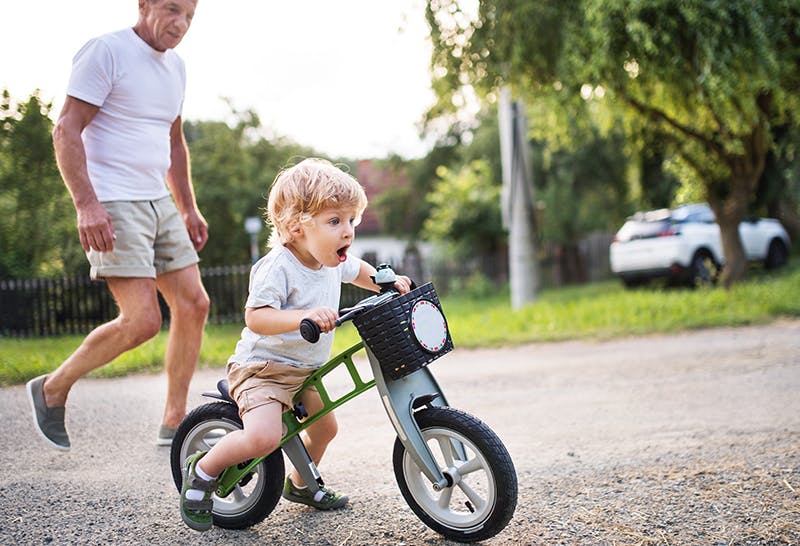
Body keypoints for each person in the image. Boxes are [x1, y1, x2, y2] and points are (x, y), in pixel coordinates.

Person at [179, 158, 411, 531]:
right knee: (263, 436)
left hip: (302, 372)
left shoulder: (333, 261)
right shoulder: (278, 266)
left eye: (351, 220)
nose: (347, 231)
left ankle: (302, 485)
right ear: (295, 226)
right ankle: (203, 471)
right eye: (334, 221)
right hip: (261, 371)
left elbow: (361, 270)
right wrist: (301, 318)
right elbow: (256, 316)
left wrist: (387, 280)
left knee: (325, 429)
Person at [26, 0, 209, 451]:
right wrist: (86, 205)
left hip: (158, 198)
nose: (181, 23)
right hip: (113, 198)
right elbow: (66, 128)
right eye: (171, 9)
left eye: (189, 14)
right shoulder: (106, 52)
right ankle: (52, 387)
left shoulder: (177, 68)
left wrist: (187, 207)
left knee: (194, 303)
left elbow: (174, 140)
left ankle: (174, 420)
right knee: (143, 320)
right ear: (144, 4)